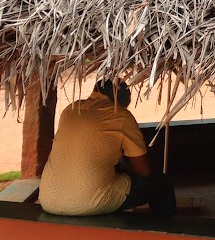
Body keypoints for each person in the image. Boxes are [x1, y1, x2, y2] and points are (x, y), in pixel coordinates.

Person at [38, 79, 177, 218]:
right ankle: (164, 234)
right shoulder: (121, 116)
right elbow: (143, 171)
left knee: (113, 180)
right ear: (121, 101)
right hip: (87, 202)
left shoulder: (70, 109)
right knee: (161, 184)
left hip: (48, 199)